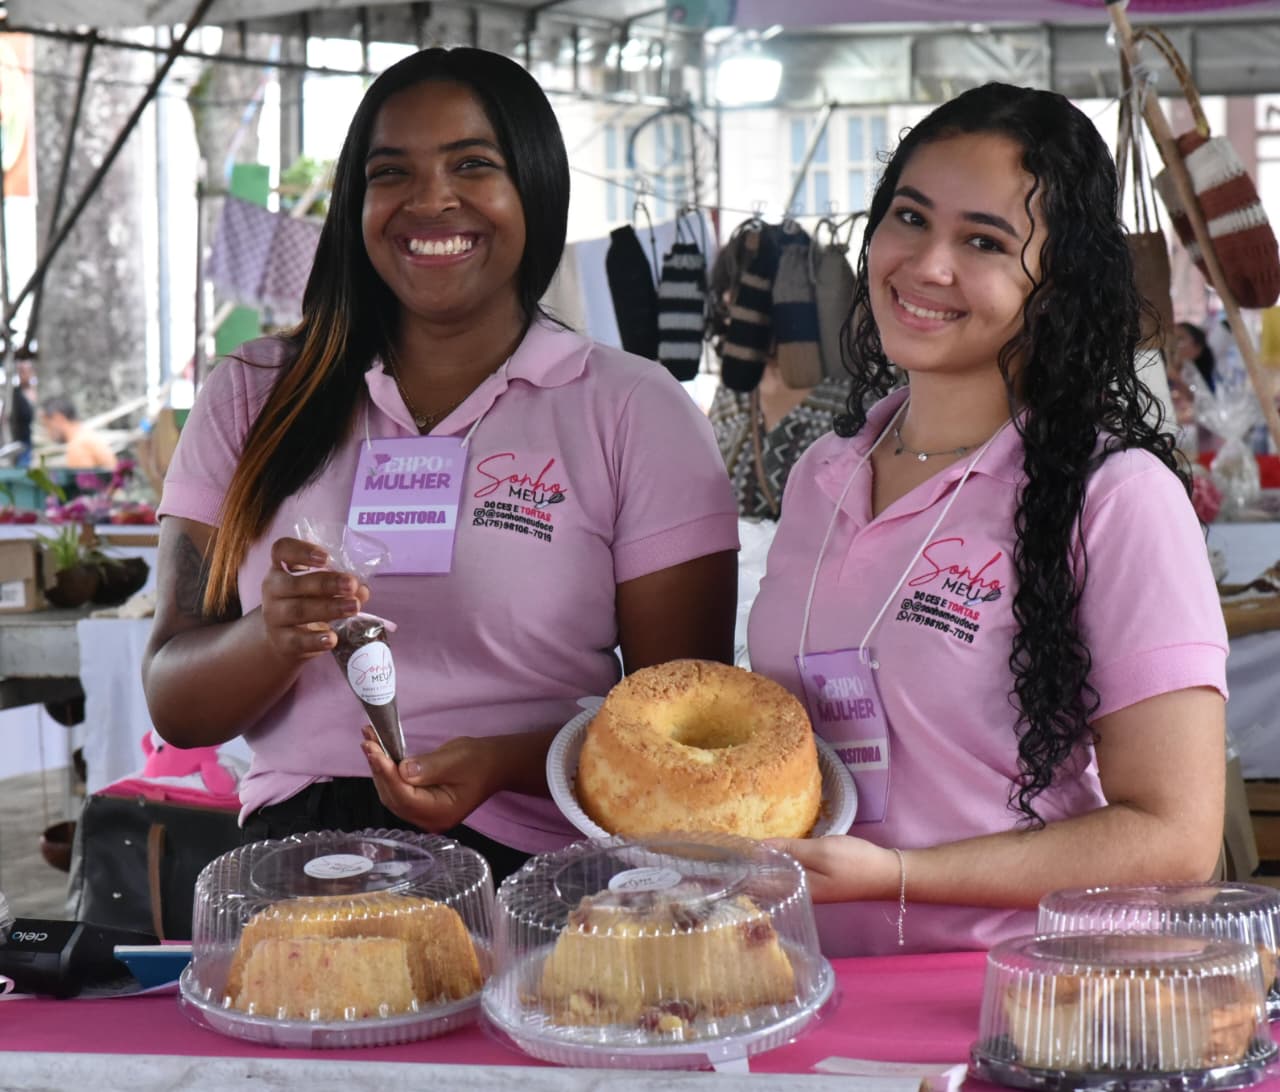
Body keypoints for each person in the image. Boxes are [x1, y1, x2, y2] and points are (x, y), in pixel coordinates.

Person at [143, 47, 739, 882]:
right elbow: (175, 701)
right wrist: (273, 636)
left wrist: (501, 761)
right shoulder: (254, 395)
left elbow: (688, 736)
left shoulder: (633, 409)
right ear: (357, 201)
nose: (430, 200)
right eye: (392, 172)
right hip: (296, 860)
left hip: (540, 866)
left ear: (535, 187)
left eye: (472, 164)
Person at [747, 83, 1227, 956]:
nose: (928, 265)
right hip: (809, 979)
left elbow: (1177, 837)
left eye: (984, 241)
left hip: (1036, 995)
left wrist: (900, 877)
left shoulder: (1113, 494)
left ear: (1057, 284)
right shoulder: (824, 470)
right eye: (909, 217)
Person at [705, 229, 854, 519]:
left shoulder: (853, 391)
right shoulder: (733, 391)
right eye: (727, 286)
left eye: (745, 287)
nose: (728, 299)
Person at [38, 395, 118, 470]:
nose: (47, 432)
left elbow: (87, 483)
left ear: (58, 418)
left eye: (46, 425)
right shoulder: (86, 436)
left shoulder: (77, 446)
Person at [7, 351, 35, 467]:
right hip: (23, 440)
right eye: (21, 372)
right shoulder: (15, 394)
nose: (23, 374)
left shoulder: (37, 390)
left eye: (26, 371)